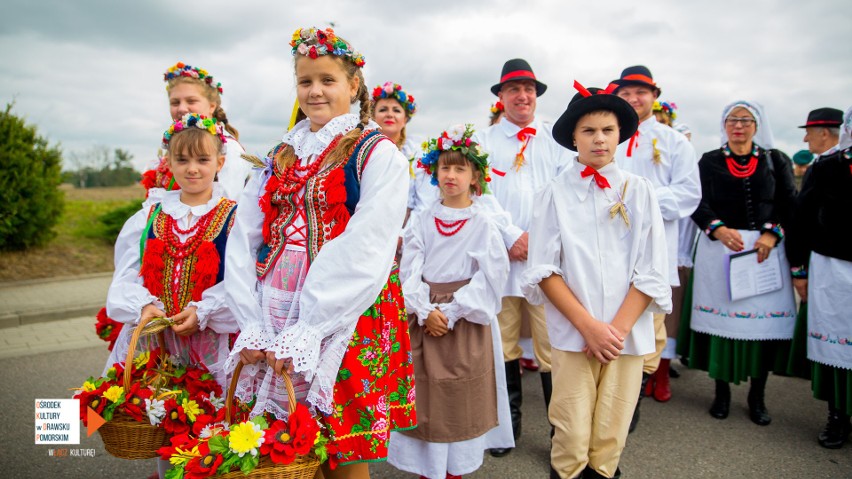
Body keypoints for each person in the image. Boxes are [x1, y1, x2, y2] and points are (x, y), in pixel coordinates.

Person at [223, 27, 414, 478]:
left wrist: (310, 326)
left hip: (345, 307)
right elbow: (246, 231)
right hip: (275, 305)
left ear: (353, 86)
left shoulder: (378, 153)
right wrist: (249, 317)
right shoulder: (282, 153)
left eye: (328, 80)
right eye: (305, 81)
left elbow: (368, 242)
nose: (315, 91)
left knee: (339, 452)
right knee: (288, 447)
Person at [524, 82, 670, 479]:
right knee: (571, 432)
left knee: (610, 435)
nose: (599, 139)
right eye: (588, 131)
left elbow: (652, 270)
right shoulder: (552, 194)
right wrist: (589, 328)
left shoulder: (638, 191)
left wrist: (614, 332)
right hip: (574, 333)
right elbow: (543, 269)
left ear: (620, 133)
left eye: (607, 129)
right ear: (573, 137)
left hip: (625, 335)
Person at [104, 114, 239, 479]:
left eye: (202, 160)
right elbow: (127, 274)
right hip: (161, 345)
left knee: (213, 435)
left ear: (220, 163)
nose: (192, 169)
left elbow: (243, 283)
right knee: (166, 428)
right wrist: (144, 305)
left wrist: (205, 309)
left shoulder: (235, 217)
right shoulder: (150, 215)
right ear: (169, 163)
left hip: (213, 344)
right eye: (182, 160)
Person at [388, 124, 512, 479]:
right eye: (445, 167)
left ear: (476, 176)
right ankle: (429, 471)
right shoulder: (422, 221)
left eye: (460, 168)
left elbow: (490, 277)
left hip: (464, 321)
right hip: (424, 317)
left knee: (459, 398)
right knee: (426, 396)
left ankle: (454, 470)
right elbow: (408, 270)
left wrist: (451, 311)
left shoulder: (483, 222)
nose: (452, 175)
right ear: (434, 172)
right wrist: (426, 310)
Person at [474, 58, 570, 457]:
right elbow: (478, 194)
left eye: (529, 88)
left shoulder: (555, 140)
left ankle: (560, 434)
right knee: (504, 345)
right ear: (501, 96)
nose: (523, 95)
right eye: (514, 89)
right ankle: (507, 428)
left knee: (553, 348)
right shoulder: (482, 141)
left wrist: (540, 237)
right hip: (502, 257)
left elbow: (567, 192)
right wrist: (511, 236)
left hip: (545, 261)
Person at [688, 100, 797, 426]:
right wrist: (717, 228)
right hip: (721, 250)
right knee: (725, 328)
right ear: (724, 124)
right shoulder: (708, 161)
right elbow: (696, 201)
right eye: (732, 120)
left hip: (764, 253)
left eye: (746, 120)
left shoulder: (776, 160)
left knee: (761, 329)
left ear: (757, 125)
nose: (738, 126)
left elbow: (789, 203)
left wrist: (772, 234)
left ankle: (757, 396)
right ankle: (721, 392)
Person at [612, 66, 700, 418]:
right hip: (612, 247)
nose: (634, 99)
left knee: (648, 326)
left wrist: (641, 201)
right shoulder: (609, 135)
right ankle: (612, 400)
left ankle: (632, 403)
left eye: (640, 92)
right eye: (626, 94)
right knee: (612, 319)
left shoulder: (673, 141)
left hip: (654, 246)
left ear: (654, 97)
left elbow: (689, 194)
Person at [786, 106, 852, 449]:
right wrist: (799, 269)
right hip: (834, 268)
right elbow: (802, 220)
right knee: (839, 347)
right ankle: (838, 415)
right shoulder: (828, 167)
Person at [142, 62, 251, 203]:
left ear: (212, 106)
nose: (181, 108)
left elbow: (226, 204)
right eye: (175, 103)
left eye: (191, 101)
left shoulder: (228, 148)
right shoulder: (174, 144)